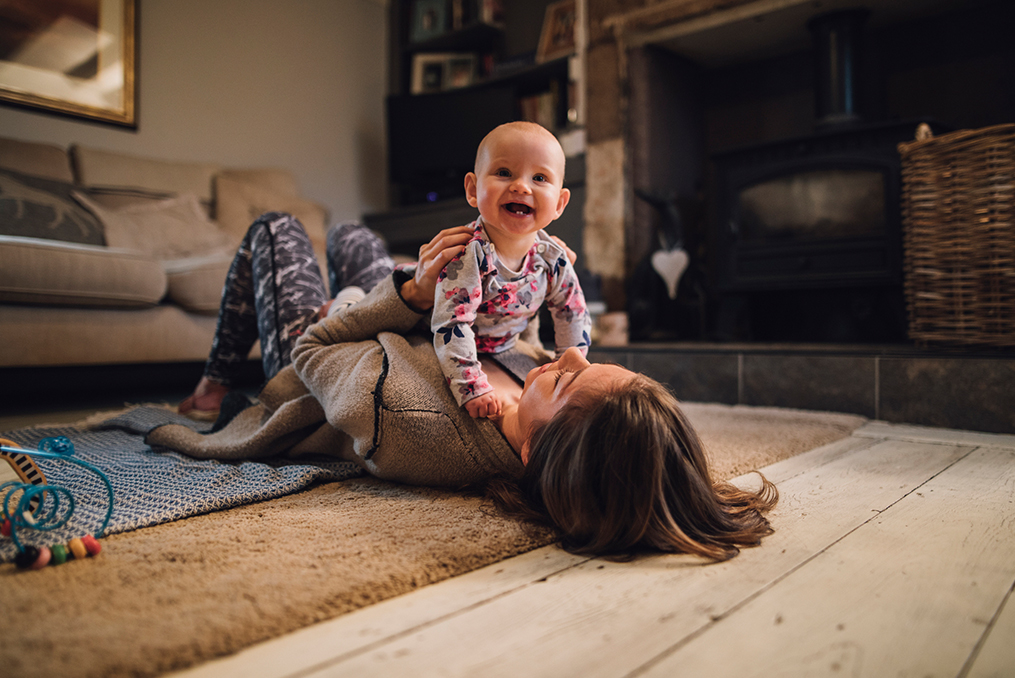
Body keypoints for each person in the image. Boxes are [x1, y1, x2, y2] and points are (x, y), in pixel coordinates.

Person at [166, 213, 776, 561]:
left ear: (535, 452)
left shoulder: (409, 418)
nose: (570, 360)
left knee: (277, 229)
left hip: (320, 351)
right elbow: (516, 337)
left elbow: (315, 351)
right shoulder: (551, 393)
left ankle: (214, 387)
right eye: (592, 363)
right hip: (400, 323)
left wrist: (407, 295)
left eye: (567, 381)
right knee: (352, 235)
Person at [432, 122, 590, 419]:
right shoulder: (469, 254)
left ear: (559, 204)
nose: (521, 186)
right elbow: (451, 323)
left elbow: (573, 312)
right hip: (442, 335)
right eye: (504, 173)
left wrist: (569, 371)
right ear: (472, 189)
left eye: (540, 177)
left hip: (505, 344)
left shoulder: (552, 259)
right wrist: (472, 386)